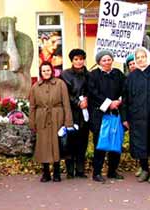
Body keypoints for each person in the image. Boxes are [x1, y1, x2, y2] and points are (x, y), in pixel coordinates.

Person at [122, 47, 150, 183]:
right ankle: (145, 169)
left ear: (148, 57)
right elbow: (125, 100)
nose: (141, 60)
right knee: (140, 145)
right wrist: (125, 118)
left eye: (143, 57)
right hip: (137, 118)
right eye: (138, 57)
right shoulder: (131, 77)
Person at [29, 61, 73, 182]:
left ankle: (57, 172)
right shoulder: (35, 87)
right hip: (41, 118)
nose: (46, 72)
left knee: (57, 145)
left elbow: (66, 104)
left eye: (48, 70)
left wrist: (67, 122)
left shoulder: (60, 84)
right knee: (43, 146)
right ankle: (46, 172)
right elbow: (32, 106)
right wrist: (32, 122)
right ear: (40, 72)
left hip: (57, 117)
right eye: (43, 71)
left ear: (52, 71)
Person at [88, 50, 125, 183]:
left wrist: (119, 101)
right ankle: (97, 172)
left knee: (115, 142)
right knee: (100, 144)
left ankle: (112, 171)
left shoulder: (118, 74)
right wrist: (109, 103)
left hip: (115, 114)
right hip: (100, 115)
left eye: (109, 59)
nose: (107, 62)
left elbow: (125, 89)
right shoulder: (93, 75)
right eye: (104, 60)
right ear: (99, 62)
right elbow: (93, 93)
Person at [60, 49, 89, 178]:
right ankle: (70, 170)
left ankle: (80, 170)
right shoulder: (65, 74)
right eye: (76, 59)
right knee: (70, 142)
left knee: (83, 142)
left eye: (81, 59)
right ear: (72, 60)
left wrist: (88, 99)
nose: (79, 61)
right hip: (71, 112)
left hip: (85, 114)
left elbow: (92, 89)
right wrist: (78, 102)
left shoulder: (89, 74)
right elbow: (65, 93)